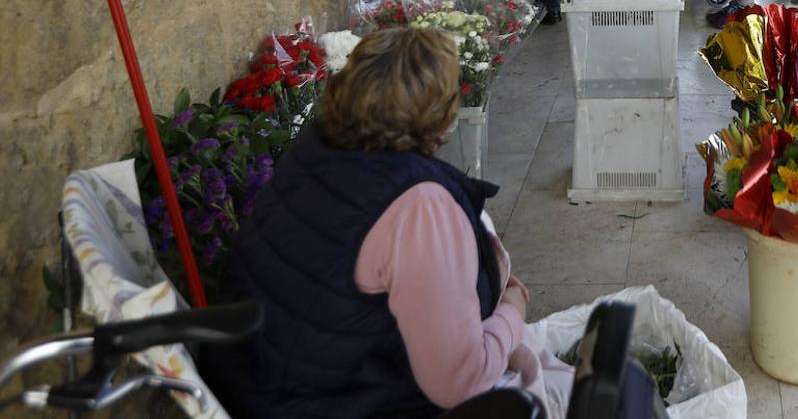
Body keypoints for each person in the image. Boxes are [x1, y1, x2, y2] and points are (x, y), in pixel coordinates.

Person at [216, 27, 577, 417]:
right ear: (438, 114)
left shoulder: (314, 152)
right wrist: (512, 308)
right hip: (329, 404)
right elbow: (460, 381)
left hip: (254, 388)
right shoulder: (417, 202)